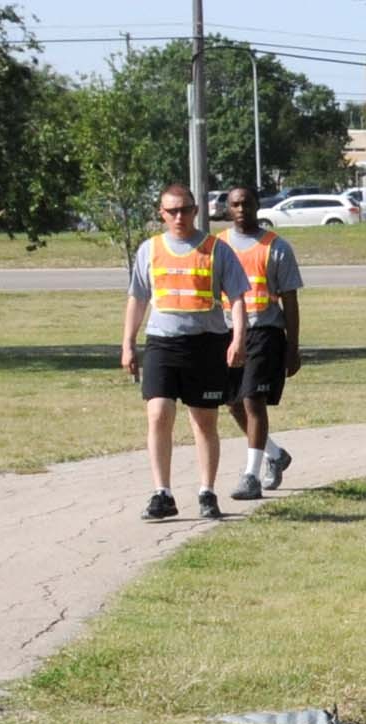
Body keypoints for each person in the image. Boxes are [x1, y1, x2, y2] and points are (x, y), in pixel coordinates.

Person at [120, 183, 247, 522]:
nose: (179, 216)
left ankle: (207, 492)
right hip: (162, 342)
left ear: (195, 210)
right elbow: (138, 297)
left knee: (204, 421)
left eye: (185, 209)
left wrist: (238, 339)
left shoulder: (215, 249)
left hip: (206, 344)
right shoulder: (150, 249)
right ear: (161, 214)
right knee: (158, 413)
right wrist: (128, 342)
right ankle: (162, 493)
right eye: (171, 211)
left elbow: (236, 297)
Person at [216, 185, 301, 500]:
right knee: (233, 402)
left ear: (257, 206)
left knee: (253, 400)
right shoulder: (217, 245)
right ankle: (275, 454)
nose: (241, 209)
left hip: (263, 332)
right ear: (227, 208)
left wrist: (292, 347)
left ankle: (250, 475)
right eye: (235, 204)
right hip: (225, 332)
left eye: (247, 204)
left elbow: (290, 301)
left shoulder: (276, 247)